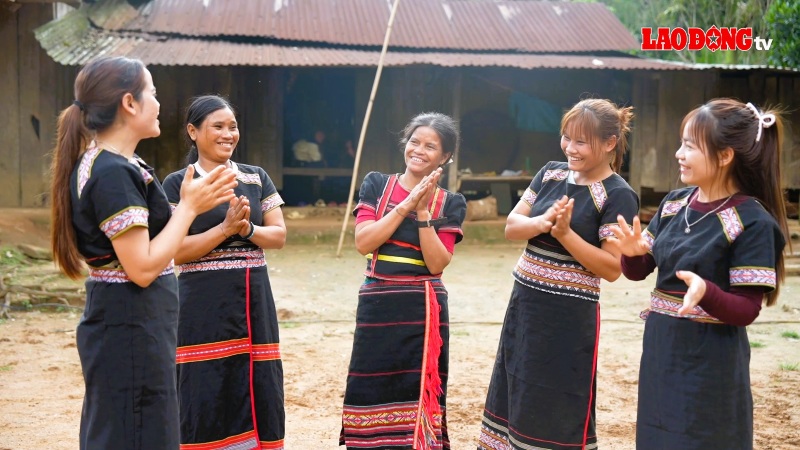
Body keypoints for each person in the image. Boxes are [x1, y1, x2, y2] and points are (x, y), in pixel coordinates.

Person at [49, 57, 237, 450]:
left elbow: (158, 252)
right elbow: (142, 268)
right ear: (129, 103)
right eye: (151, 91)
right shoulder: (113, 172)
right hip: (131, 324)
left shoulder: (117, 164)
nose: (158, 101)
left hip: (132, 322)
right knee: (136, 431)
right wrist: (188, 207)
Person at [610, 98, 789, 450]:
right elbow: (642, 269)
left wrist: (706, 291)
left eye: (690, 146)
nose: (679, 153)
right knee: (659, 435)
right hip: (663, 349)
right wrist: (631, 254)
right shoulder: (675, 203)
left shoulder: (752, 222)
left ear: (725, 156)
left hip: (711, 363)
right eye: (682, 143)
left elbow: (747, 310)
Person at [478, 99, 639, 450]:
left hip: (567, 317)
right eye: (566, 137)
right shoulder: (551, 173)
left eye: (581, 141)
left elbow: (612, 268)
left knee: (557, 397)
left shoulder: (618, 195)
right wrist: (542, 222)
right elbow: (511, 226)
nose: (570, 148)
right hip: (525, 304)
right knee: (515, 383)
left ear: (609, 143)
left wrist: (565, 234)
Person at [162, 95, 287, 450]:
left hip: (253, 298)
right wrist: (224, 230)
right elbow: (174, 252)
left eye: (232, 126)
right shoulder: (179, 184)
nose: (227, 134)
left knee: (255, 375)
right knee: (204, 381)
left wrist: (246, 230)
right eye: (217, 126)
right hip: (201, 302)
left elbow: (277, 236)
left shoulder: (255, 177)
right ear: (193, 131)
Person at [339, 112, 467, 450]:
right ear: (405, 144)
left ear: (446, 157)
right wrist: (406, 205)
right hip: (377, 302)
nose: (419, 151)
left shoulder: (450, 203)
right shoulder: (377, 184)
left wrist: (423, 213)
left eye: (431, 146)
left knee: (418, 391)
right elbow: (364, 243)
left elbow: (438, 263)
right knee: (371, 385)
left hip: (423, 309)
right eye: (414, 142)